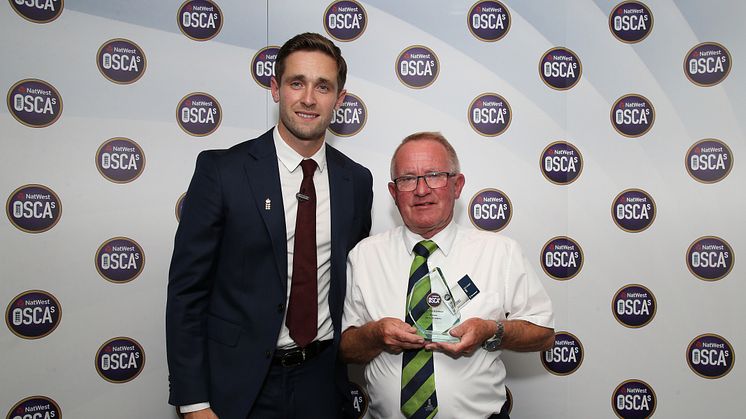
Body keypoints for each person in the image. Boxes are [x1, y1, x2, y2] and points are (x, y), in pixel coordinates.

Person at [166, 32, 373, 419]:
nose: (309, 99)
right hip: (238, 385)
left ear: (340, 100)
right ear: (276, 88)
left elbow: (353, 280)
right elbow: (187, 293)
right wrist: (194, 402)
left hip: (322, 381)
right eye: (297, 83)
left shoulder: (357, 182)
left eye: (323, 86)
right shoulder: (223, 172)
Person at [340, 132, 554, 419]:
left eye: (434, 175)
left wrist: (491, 330)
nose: (421, 190)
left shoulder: (500, 252)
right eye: (407, 179)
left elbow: (543, 334)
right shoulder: (364, 256)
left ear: (457, 185)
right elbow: (346, 349)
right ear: (393, 192)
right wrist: (376, 335)